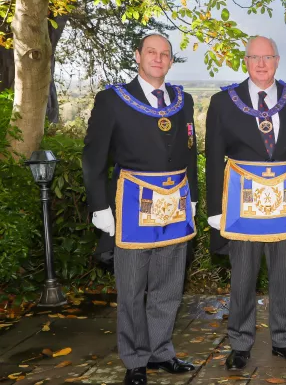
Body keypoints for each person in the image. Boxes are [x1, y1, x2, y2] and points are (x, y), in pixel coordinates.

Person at [83, 33, 198, 385]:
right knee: (132, 287)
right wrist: (100, 206)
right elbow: (93, 157)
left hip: (175, 205)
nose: (158, 59)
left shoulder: (183, 100)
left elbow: (190, 151)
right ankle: (134, 360)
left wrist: (193, 197)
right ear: (138, 56)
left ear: (170, 61)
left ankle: (161, 351)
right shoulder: (112, 100)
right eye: (151, 52)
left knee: (168, 285)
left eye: (165, 54)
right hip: (131, 205)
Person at [204, 36, 286, 368]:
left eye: (267, 57)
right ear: (245, 61)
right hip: (243, 209)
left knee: (283, 275)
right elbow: (213, 158)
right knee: (243, 276)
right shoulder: (223, 102)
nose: (260, 64)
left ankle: (284, 341)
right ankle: (240, 344)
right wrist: (215, 209)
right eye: (254, 57)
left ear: (277, 60)